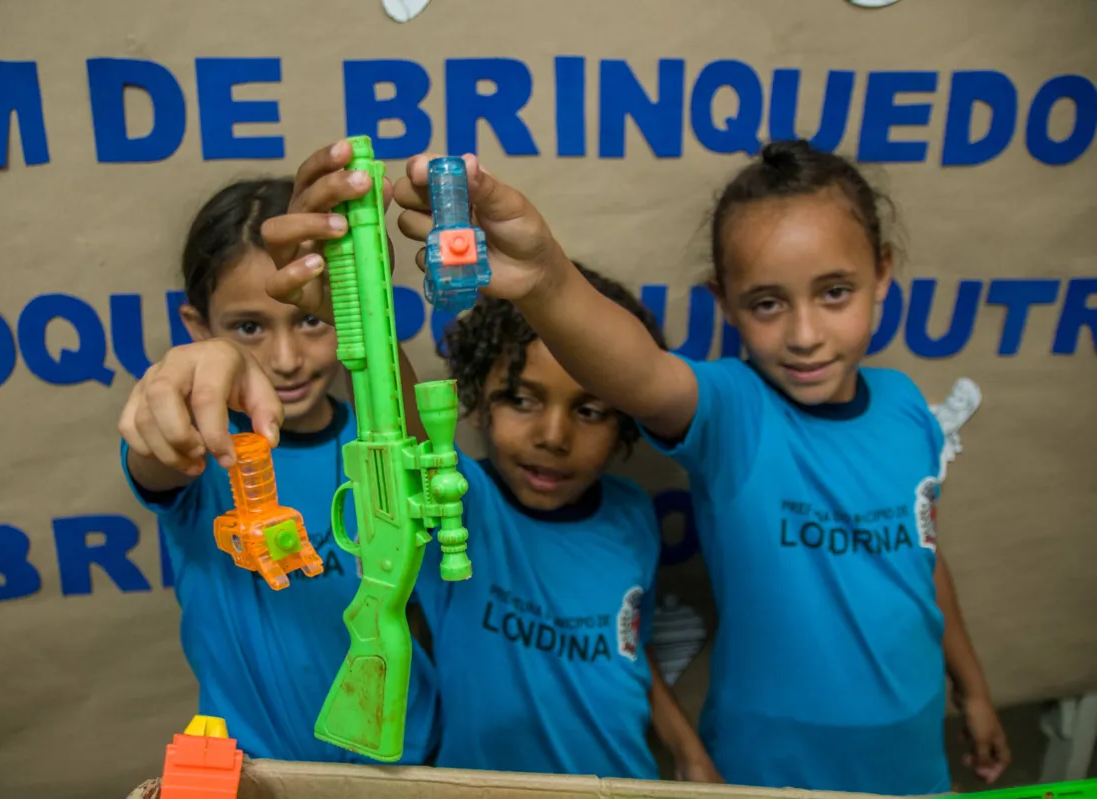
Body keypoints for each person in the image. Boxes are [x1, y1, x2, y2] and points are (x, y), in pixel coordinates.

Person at [388, 139, 1010, 794]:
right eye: (768, 303)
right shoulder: (734, 411)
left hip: (912, 748)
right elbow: (639, 370)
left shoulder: (909, 409)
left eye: (834, 292)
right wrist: (546, 278)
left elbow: (923, 556)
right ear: (726, 299)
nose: (805, 333)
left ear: (882, 272)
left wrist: (971, 690)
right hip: (770, 760)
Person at [263, 222, 719, 778]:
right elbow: (399, 416)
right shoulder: (460, 501)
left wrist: (690, 753)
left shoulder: (631, 514)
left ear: (627, 415)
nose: (553, 436)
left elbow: (630, 648)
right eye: (522, 399)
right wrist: (358, 294)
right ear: (475, 404)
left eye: (591, 410)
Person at [116, 141, 439, 765]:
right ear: (196, 325)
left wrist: (363, 304)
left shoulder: (380, 435)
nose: (286, 359)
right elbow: (154, 451)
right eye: (248, 328)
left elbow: (414, 444)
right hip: (253, 767)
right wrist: (195, 371)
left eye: (310, 321)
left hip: (409, 760)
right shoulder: (199, 451)